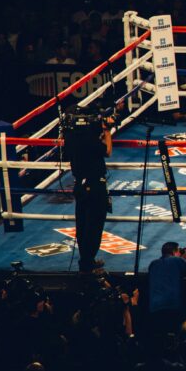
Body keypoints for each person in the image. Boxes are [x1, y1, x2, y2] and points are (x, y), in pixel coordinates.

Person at [68, 109, 113, 273]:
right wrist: (107, 131)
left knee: (82, 225)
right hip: (95, 187)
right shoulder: (89, 139)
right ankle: (87, 264)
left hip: (79, 186)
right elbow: (107, 151)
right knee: (93, 227)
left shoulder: (71, 137)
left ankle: (86, 260)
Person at [147, 241, 186, 335]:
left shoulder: (153, 264)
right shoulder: (177, 261)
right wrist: (185, 259)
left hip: (154, 308)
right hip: (173, 307)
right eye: (179, 251)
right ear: (174, 252)